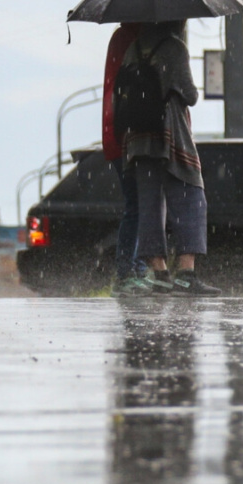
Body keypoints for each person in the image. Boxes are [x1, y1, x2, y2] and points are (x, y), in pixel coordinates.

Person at [122, 21, 219, 295]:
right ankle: (186, 274)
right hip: (169, 133)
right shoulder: (174, 47)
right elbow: (190, 94)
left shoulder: (133, 49)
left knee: (149, 205)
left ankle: (160, 274)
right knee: (190, 197)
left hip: (138, 137)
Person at [103, 22, 148, 295]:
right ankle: (128, 272)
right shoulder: (131, 39)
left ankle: (134, 270)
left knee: (139, 205)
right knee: (138, 205)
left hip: (120, 135)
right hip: (126, 138)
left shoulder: (123, 37)